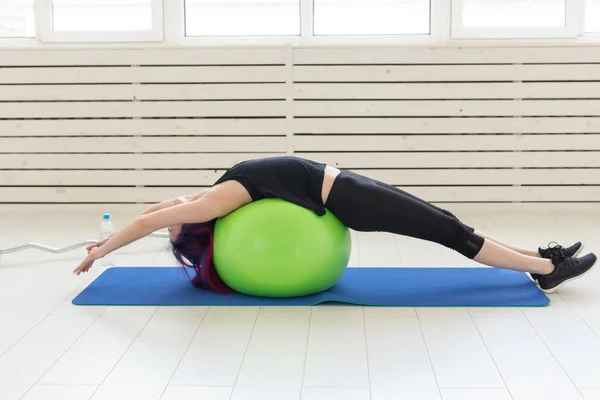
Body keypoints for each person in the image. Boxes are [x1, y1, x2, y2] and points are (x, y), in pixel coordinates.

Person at [75, 155, 597, 294]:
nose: (166, 210)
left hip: (345, 185)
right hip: (349, 199)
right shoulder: (216, 202)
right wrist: (104, 251)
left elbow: (146, 217)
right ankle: (544, 270)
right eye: (172, 220)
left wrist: (110, 233)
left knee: (450, 223)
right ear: (188, 225)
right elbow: (149, 224)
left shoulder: (216, 193)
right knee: (451, 232)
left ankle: (541, 258)